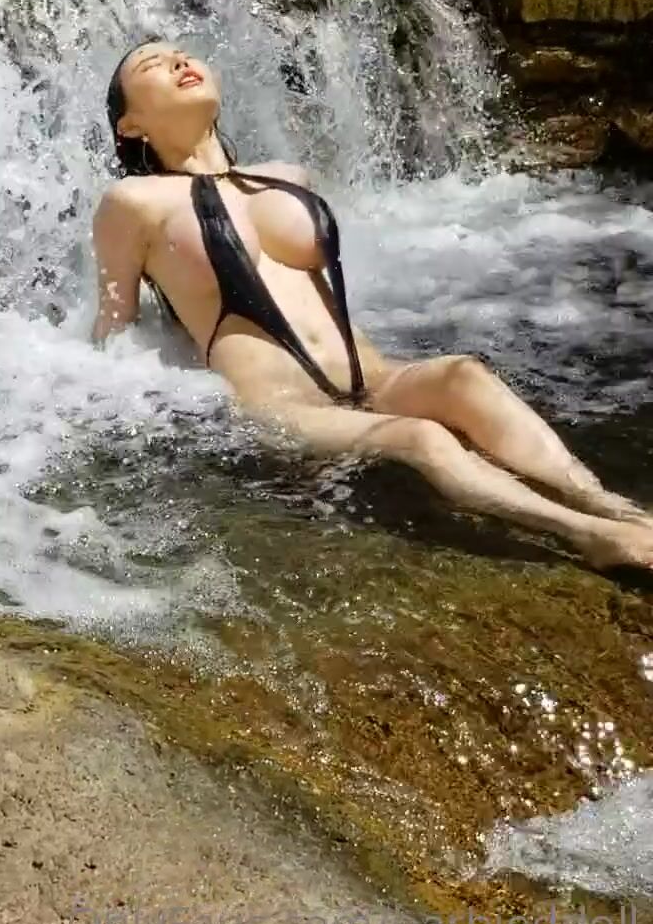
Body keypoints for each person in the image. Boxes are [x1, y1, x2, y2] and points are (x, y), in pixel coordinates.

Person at [92, 38, 653, 572]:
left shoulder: (284, 177)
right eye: (153, 65)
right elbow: (115, 334)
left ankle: (608, 504)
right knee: (420, 435)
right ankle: (585, 533)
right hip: (281, 406)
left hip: (372, 375)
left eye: (183, 54)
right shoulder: (131, 203)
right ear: (130, 125)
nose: (179, 62)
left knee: (464, 375)